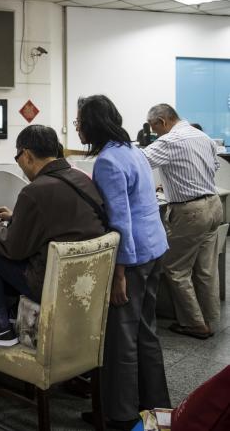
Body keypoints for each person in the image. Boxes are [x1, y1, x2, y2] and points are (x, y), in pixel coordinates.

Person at [0, 125, 106, 346]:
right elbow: (61, 220)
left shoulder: (34, 190)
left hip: (50, 285)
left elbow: (12, 248)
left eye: (17, 156)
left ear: (26, 155)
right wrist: (16, 217)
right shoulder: (81, 178)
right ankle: (11, 313)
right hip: (87, 283)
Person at [77, 95, 170, 431]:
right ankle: (157, 409)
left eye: (79, 121)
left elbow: (119, 223)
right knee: (147, 332)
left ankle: (120, 414)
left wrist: (118, 275)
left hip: (131, 258)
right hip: (154, 248)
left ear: (92, 125)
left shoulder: (107, 162)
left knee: (122, 338)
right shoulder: (133, 150)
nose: (77, 127)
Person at [143, 104, 222, 339]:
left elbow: (139, 163)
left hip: (190, 212)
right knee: (206, 268)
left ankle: (195, 324)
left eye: (153, 126)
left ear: (163, 122)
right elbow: (213, 166)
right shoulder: (203, 136)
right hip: (213, 204)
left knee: (176, 267)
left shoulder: (169, 141)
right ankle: (209, 318)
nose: (153, 132)